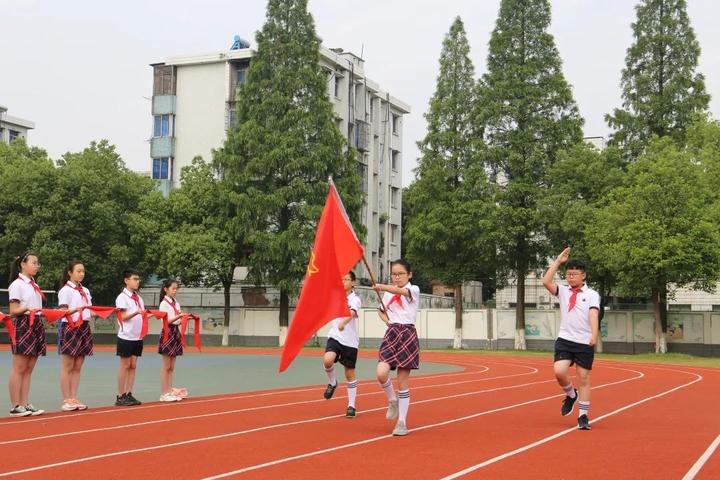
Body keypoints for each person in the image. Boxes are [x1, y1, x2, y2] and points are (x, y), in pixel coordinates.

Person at [542, 247, 600, 431]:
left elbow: (593, 314)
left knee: (583, 378)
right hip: (565, 339)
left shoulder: (592, 295)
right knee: (559, 372)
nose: (570, 277)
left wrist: (594, 334)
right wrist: (558, 261)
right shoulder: (563, 292)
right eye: (568, 274)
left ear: (584, 276)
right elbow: (546, 281)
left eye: (574, 274)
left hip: (584, 341)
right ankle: (570, 394)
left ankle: (583, 416)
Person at [373, 259, 420, 436]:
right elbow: (381, 310)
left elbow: (400, 291)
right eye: (394, 274)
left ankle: (402, 422)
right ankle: (392, 400)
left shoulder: (413, 289)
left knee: (402, 381)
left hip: (407, 334)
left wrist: (382, 286)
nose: (397, 277)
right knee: (381, 372)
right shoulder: (386, 294)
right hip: (392, 333)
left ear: (409, 275)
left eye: (400, 274)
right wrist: (388, 322)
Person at [7, 251, 46, 417]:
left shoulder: (34, 284)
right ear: (23, 264)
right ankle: (16, 405)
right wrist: (27, 309)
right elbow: (13, 310)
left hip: (36, 323)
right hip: (23, 323)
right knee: (20, 367)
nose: (36, 266)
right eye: (33, 262)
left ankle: (24, 403)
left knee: (29, 367)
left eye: (38, 263)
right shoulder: (17, 284)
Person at [322, 271, 362, 418]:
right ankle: (332, 383)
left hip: (350, 341)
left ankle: (351, 405)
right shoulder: (335, 296)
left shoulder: (355, 299)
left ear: (353, 282)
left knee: (349, 372)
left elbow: (351, 313)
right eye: (341, 279)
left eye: (346, 279)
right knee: (327, 360)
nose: (343, 281)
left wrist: (344, 323)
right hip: (335, 336)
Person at [57, 260, 94, 411]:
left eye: (83, 271)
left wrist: (106, 311)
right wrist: (77, 310)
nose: (81, 274)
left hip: (84, 327)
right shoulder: (65, 290)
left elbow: (89, 310)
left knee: (78, 365)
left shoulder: (85, 290)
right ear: (70, 273)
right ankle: (66, 399)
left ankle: (73, 397)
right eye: (78, 271)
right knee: (68, 365)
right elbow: (62, 312)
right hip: (70, 326)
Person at [114, 269, 145, 407]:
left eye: (138, 279)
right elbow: (123, 317)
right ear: (126, 280)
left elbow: (141, 315)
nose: (137, 281)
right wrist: (136, 312)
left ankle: (129, 393)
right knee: (125, 365)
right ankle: (120, 396)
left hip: (137, 336)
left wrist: (152, 314)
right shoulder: (122, 297)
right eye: (134, 279)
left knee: (133, 366)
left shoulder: (139, 298)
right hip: (126, 336)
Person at [157, 278, 185, 402]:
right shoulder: (164, 304)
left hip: (175, 332)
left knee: (172, 367)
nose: (175, 291)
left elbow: (178, 319)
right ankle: (164, 393)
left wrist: (184, 318)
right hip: (168, 332)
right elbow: (165, 321)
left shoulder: (176, 303)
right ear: (166, 289)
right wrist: (179, 316)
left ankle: (170, 391)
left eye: (176, 289)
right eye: (173, 288)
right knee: (166, 365)